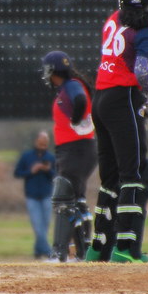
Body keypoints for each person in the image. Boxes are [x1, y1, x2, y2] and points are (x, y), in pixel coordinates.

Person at [86, 0, 148, 263]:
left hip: (100, 100)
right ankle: (126, 249)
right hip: (122, 97)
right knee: (131, 174)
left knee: (109, 177)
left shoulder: (113, 18)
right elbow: (140, 70)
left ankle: (97, 248)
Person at [40, 51, 97, 261]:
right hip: (78, 150)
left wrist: (76, 118)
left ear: (53, 70)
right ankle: (82, 253)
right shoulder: (68, 86)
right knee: (76, 201)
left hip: (75, 150)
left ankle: (59, 253)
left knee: (63, 199)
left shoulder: (71, 85)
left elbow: (80, 100)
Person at [14, 130, 57, 259]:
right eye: (41, 142)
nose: (43, 145)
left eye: (45, 143)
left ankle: (38, 251)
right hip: (32, 196)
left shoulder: (50, 158)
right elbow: (17, 173)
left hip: (46, 195)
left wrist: (48, 170)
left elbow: (56, 176)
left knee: (45, 225)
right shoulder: (26, 157)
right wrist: (31, 171)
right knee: (37, 225)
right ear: (36, 141)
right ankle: (49, 251)